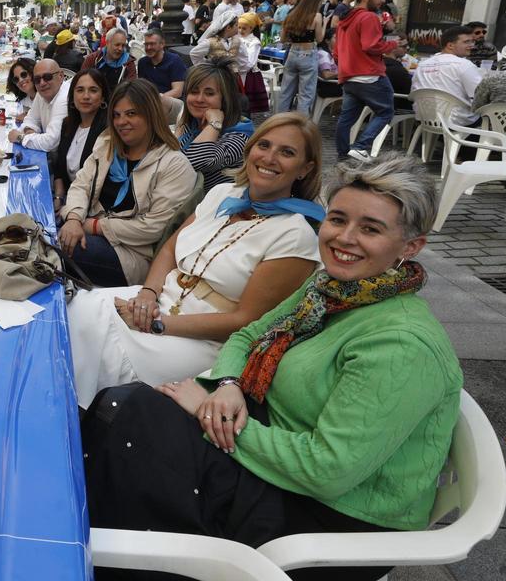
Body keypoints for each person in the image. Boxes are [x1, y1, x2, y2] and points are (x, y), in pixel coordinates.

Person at [82, 154, 460, 581]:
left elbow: (327, 470)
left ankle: (102, 556)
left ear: (410, 247)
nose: (345, 238)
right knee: (125, 411)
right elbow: (247, 336)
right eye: (338, 220)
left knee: (132, 433)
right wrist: (227, 384)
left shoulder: (400, 343)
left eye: (370, 229)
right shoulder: (329, 290)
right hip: (280, 453)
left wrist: (210, 414)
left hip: (331, 521)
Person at [67, 112, 322, 406]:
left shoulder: (295, 235)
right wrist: (148, 294)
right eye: (264, 145)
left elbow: (245, 322)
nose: (270, 157)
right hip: (161, 302)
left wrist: (158, 324)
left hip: (205, 340)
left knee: (97, 342)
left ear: (305, 169)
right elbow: (168, 250)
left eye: (287, 152)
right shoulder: (223, 194)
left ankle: (74, 417)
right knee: (76, 308)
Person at [57, 80, 197, 288]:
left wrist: (95, 226)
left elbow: (153, 228)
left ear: (151, 114)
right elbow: (81, 185)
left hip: (132, 253)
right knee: (43, 230)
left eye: (131, 114)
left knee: (56, 248)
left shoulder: (174, 165)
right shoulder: (107, 145)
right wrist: (74, 219)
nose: (121, 122)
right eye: (116, 115)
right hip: (91, 228)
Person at [176, 59, 256, 192]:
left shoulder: (239, 137)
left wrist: (214, 124)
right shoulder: (193, 123)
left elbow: (193, 162)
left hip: (215, 203)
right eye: (194, 92)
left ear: (225, 98)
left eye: (209, 93)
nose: (199, 99)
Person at [336, 0, 394, 160]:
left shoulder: (345, 19)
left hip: (348, 76)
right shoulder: (368, 17)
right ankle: (360, 147)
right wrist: (392, 45)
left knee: (346, 118)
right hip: (370, 74)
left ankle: (343, 156)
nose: (382, 0)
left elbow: (336, 52)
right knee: (386, 112)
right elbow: (370, 45)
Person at [51, 69, 111, 212]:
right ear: (72, 96)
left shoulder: (108, 132)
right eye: (80, 90)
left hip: (90, 208)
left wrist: (71, 210)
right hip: (66, 199)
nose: (86, 96)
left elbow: (99, 187)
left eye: (93, 90)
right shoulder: (67, 125)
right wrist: (59, 197)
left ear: (103, 98)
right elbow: (59, 169)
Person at [410, 25, 483, 126]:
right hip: (457, 122)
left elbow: (414, 92)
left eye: (472, 41)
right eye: (466, 42)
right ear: (450, 45)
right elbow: (480, 95)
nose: (472, 45)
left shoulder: (422, 65)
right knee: (490, 115)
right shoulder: (464, 64)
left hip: (425, 120)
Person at [276, 0, 327, 116]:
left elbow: (282, 39)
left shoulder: (291, 15)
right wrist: (325, 24)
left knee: (286, 92)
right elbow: (319, 39)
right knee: (305, 95)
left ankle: (279, 121)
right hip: (308, 54)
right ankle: (301, 123)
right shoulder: (317, 16)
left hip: (292, 53)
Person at [8, 59, 71, 152]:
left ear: (61, 76)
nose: (42, 83)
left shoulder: (64, 98)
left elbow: (51, 142)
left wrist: (20, 138)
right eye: (37, 80)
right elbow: (31, 119)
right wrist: (29, 131)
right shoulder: (41, 93)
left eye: (47, 77)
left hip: (61, 157)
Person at [383, 37, 415, 111]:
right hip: (397, 107)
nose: (408, 48)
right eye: (404, 46)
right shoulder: (398, 70)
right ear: (392, 48)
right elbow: (410, 91)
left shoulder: (379, 64)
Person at [6, 57, 37, 124]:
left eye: (23, 75)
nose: (20, 80)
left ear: (32, 73)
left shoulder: (45, 96)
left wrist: (28, 117)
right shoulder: (25, 100)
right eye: (16, 79)